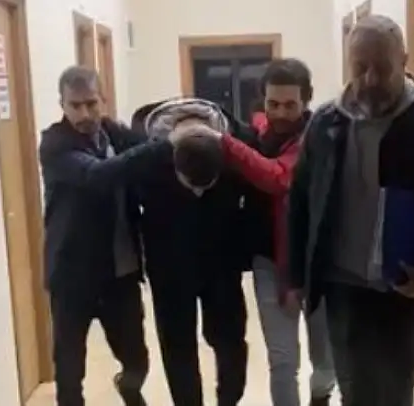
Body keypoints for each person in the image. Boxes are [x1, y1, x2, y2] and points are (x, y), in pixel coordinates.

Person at [287, 15, 414, 406]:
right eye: (360, 67)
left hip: (405, 287)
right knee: (355, 391)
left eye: (383, 67)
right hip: (343, 285)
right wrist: (297, 276)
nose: (370, 79)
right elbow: (301, 201)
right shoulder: (325, 124)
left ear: (404, 61)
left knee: (393, 392)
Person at [38, 65, 171, 406]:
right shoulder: (54, 144)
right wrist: (156, 149)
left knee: (137, 361)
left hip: (119, 274)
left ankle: (128, 387)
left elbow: (149, 151)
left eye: (91, 104)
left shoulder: (114, 133)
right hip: (72, 274)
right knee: (70, 371)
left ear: (103, 100)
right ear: (62, 105)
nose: (84, 114)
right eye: (75, 105)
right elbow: (96, 175)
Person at [219, 58, 337, 406]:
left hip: (317, 264)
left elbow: (278, 177)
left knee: (324, 362)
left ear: (306, 101)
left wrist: (223, 142)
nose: (281, 114)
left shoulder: (319, 138)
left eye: (290, 105)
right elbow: (259, 124)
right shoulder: (261, 132)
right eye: (273, 104)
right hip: (269, 262)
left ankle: (320, 400)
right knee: (282, 362)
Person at [131, 98, 253, 406]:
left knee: (230, 340)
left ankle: (229, 400)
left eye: (206, 187)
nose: (198, 193)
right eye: (191, 186)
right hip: (168, 264)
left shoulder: (240, 143)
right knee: (177, 346)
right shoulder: (145, 154)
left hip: (222, 261)